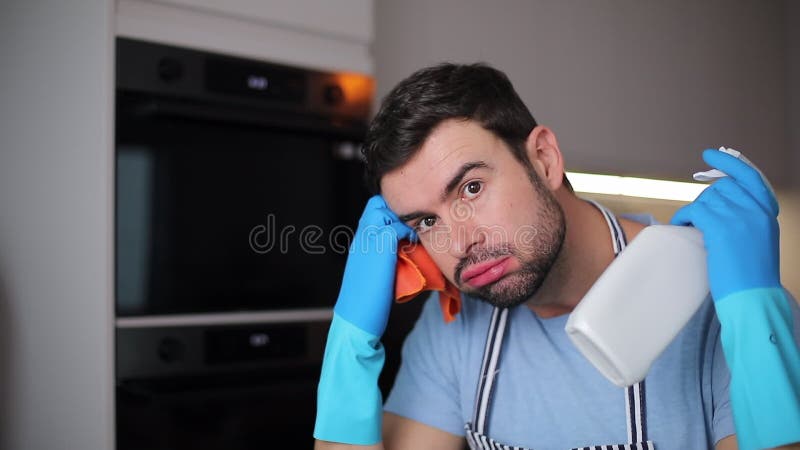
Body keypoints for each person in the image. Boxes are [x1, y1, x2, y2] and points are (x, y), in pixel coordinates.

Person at [313, 63, 800, 450]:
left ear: (544, 159)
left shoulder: (721, 308)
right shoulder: (453, 328)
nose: (459, 244)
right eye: (427, 221)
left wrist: (756, 315)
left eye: (472, 187)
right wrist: (350, 342)